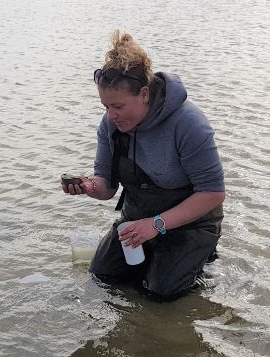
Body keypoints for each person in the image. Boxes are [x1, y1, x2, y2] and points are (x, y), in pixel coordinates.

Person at [62, 30, 225, 301]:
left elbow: (213, 193)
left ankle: (199, 265)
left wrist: (158, 224)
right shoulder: (110, 126)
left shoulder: (189, 124)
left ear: (145, 94)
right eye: (105, 107)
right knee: (103, 279)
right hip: (137, 220)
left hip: (191, 224)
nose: (111, 116)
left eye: (118, 106)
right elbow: (107, 187)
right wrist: (88, 185)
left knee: (160, 293)